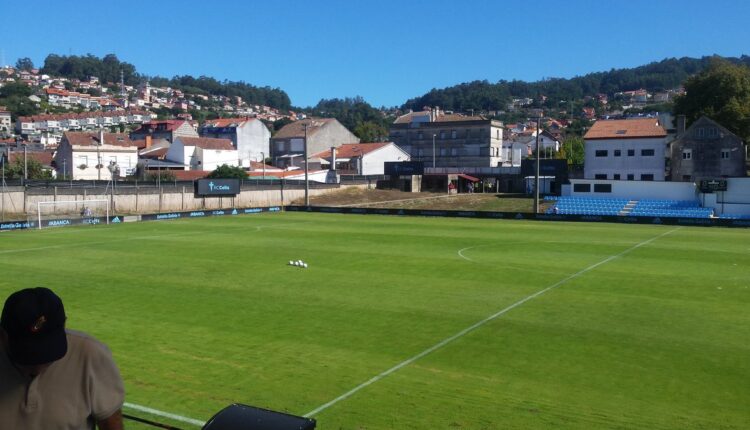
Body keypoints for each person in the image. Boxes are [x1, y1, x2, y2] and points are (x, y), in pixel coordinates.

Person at [0, 287, 125, 430]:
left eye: (48, 353)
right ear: (2, 335)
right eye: (29, 356)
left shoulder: (90, 355)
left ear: (64, 325)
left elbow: (111, 424)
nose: (38, 367)